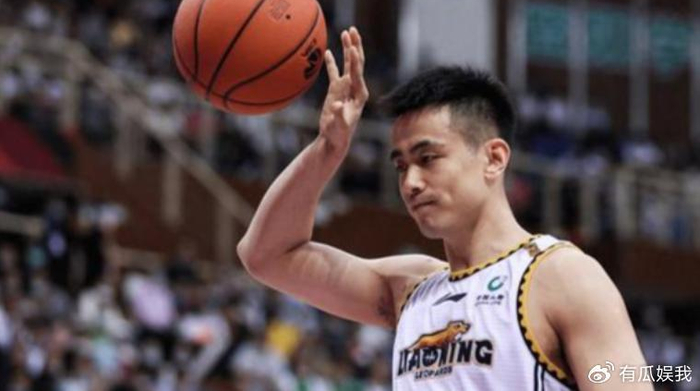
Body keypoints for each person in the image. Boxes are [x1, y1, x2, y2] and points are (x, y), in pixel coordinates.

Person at [237, 27, 651, 390]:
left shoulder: (562, 276)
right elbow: (266, 255)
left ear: (493, 158)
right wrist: (328, 148)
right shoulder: (410, 289)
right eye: (401, 166)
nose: (411, 182)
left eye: (428, 158)